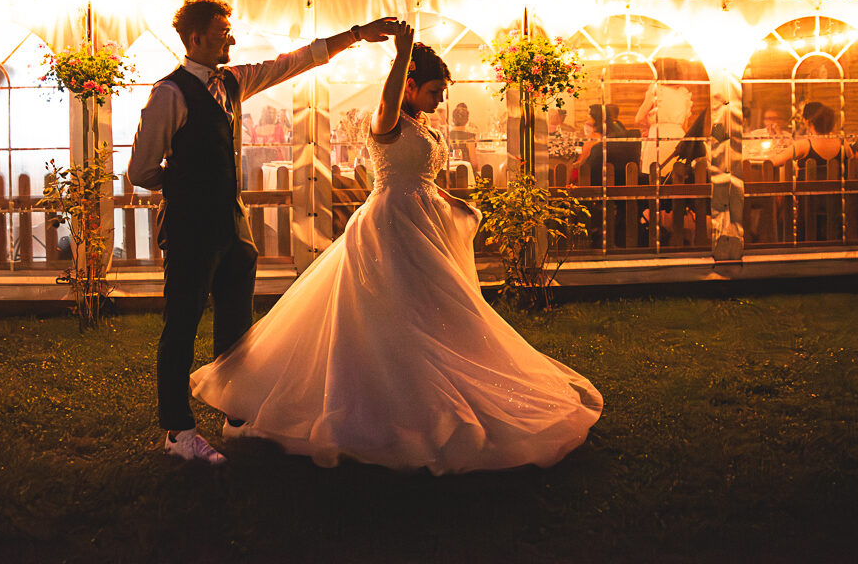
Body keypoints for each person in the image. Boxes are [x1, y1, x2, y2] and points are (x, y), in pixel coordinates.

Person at [190, 30, 602, 474]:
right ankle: (384, 404)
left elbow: (417, 173)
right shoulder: (384, 119)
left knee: (430, 311)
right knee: (392, 314)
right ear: (407, 84)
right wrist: (403, 53)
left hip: (424, 222)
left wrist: (446, 198)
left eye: (441, 93)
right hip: (388, 228)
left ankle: (422, 391)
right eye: (432, 91)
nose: (439, 100)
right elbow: (396, 154)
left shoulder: (420, 122)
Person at [127, 0, 399, 463]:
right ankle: (178, 432)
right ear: (195, 39)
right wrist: (189, 185)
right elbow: (142, 170)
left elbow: (293, 63)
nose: (230, 39)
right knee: (182, 324)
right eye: (221, 33)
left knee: (236, 326)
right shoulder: (169, 94)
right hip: (191, 227)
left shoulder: (231, 82)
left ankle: (238, 418)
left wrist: (355, 35)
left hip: (232, 225)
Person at [636, 58, 694, 176]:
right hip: (679, 140)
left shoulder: (657, 89)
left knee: (655, 178)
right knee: (677, 179)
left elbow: (639, 118)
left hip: (658, 136)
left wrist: (649, 126)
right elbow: (685, 125)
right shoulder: (684, 93)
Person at [769, 101, 852, 169]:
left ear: (809, 123)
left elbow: (773, 162)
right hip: (838, 189)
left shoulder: (804, 145)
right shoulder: (843, 144)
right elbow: (852, 163)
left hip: (807, 189)